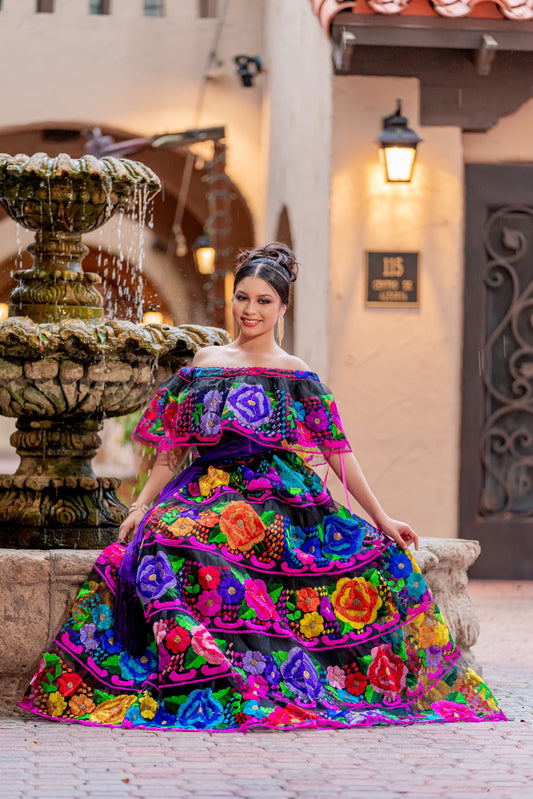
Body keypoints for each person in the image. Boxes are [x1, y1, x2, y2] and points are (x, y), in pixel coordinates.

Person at [20, 243, 505, 730]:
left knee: (307, 551)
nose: (250, 310)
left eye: (264, 301)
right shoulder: (205, 362)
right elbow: (173, 448)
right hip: (207, 484)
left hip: (278, 493)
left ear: (282, 307)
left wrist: (381, 518)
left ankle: (266, 670)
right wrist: (140, 505)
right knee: (166, 535)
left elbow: (338, 451)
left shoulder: (297, 373)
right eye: (243, 297)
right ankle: (201, 668)